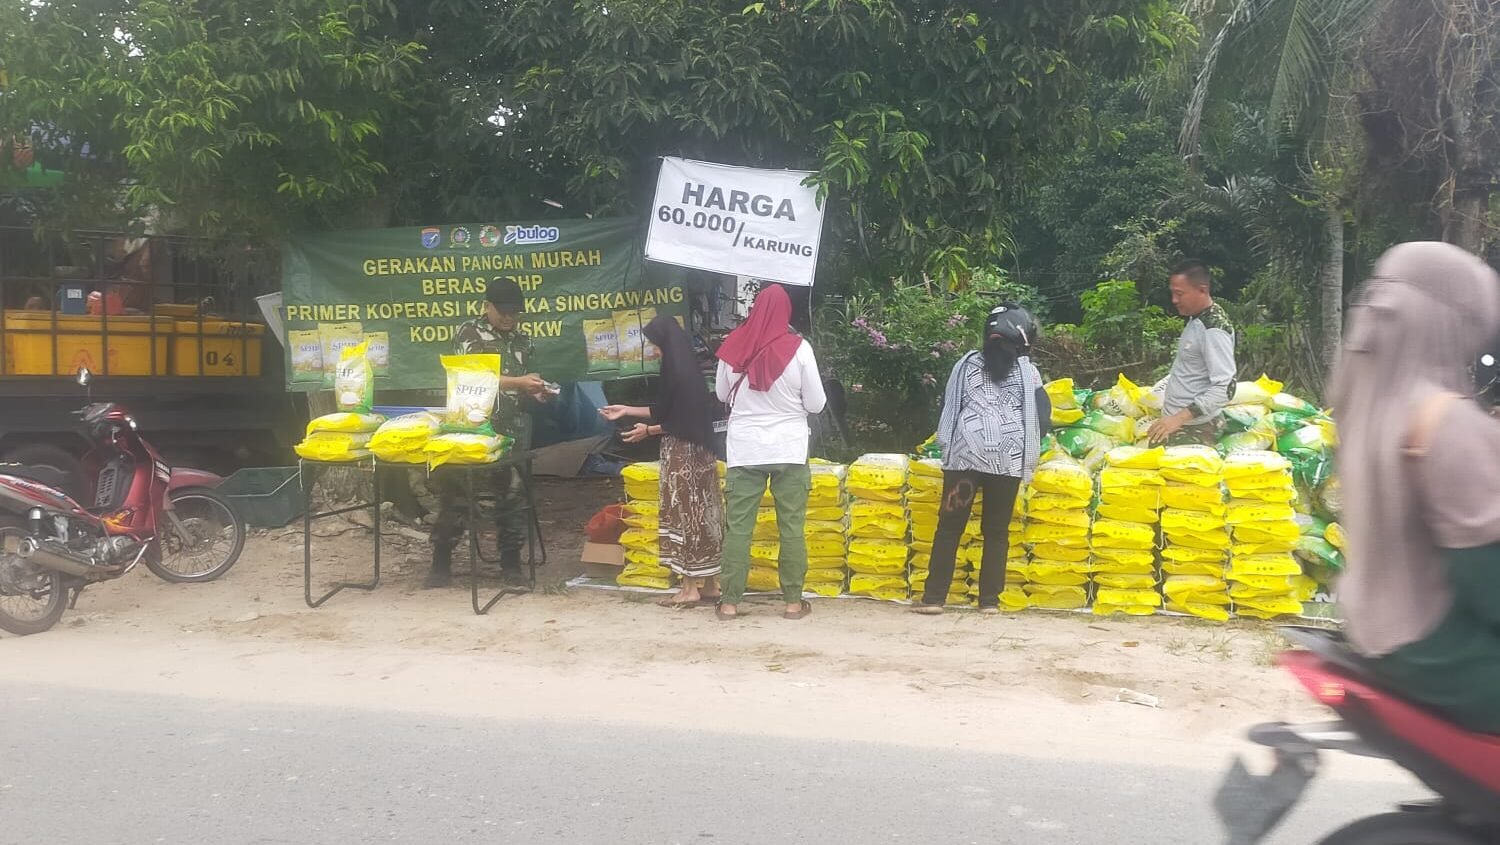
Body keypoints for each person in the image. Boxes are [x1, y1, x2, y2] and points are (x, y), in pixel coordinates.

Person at [1331, 241, 1500, 734]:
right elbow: (1485, 580)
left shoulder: (1366, 407)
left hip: (1375, 630)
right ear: (1450, 325)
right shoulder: (1446, 421)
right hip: (1442, 647)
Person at [913, 304, 1049, 616]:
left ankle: (934, 599)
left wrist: (946, 442)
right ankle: (989, 602)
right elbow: (1042, 418)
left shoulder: (966, 364)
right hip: (1009, 459)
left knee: (949, 527)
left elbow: (949, 405)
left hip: (965, 457)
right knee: (997, 532)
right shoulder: (1028, 372)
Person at [425, 279, 550, 589]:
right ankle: (440, 563)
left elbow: (523, 381)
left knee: (512, 496)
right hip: (470, 428)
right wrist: (520, 382)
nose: (509, 318)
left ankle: (511, 566)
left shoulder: (522, 339)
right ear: (487, 306)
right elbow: (475, 377)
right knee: (456, 495)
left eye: (514, 313)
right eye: (503, 312)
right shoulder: (469, 333)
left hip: (510, 429)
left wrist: (535, 392)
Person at [714, 284, 826, 621]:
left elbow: (721, 394)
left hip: (745, 448)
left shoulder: (733, 345)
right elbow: (817, 404)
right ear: (786, 312)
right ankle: (793, 602)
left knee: (739, 528)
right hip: (789, 448)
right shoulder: (801, 349)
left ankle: (730, 603)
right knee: (791, 527)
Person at [600, 315, 725, 608]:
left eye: (654, 345)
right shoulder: (689, 370)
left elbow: (676, 420)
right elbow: (667, 411)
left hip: (683, 456)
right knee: (705, 516)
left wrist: (649, 430)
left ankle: (688, 587)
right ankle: (710, 584)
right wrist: (627, 410)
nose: (653, 351)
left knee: (683, 515)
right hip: (703, 455)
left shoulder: (677, 373)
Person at [1148, 259, 1237, 445]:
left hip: (1196, 426)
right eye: (1172, 293)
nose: (1174, 300)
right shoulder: (1196, 318)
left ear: (1202, 290)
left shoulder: (1213, 330)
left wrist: (1178, 419)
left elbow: (1226, 387)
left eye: (1179, 294)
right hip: (1178, 421)